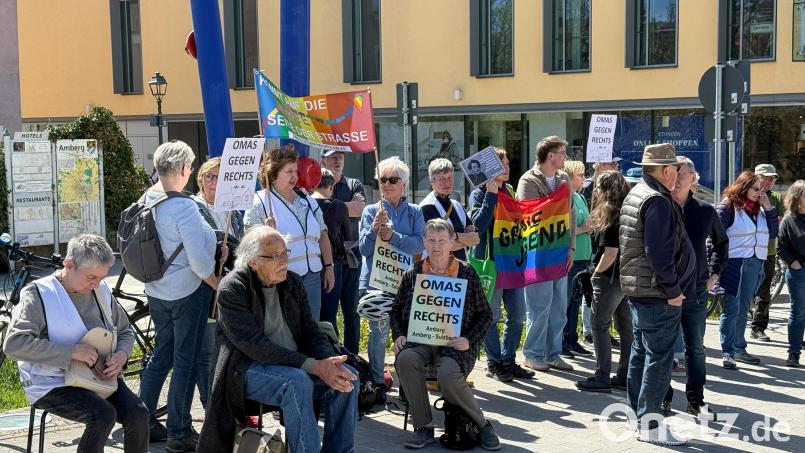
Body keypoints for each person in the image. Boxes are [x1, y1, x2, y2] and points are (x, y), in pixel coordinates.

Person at [198, 226, 359, 453]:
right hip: (246, 368)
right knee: (297, 382)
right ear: (253, 262)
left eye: (285, 253)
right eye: (274, 256)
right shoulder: (232, 288)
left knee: (349, 376)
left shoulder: (292, 282)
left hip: (293, 363)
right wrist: (314, 366)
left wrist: (330, 361)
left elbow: (310, 331)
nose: (284, 261)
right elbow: (255, 346)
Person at [4, 234, 148, 453]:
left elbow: (126, 331)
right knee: (103, 414)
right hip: (52, 383)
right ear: (69, 264)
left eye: (101, 278)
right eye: (91, 277)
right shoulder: (38, 294)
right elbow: (14, 344)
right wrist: (71, 352)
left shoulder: (101, 290)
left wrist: (122, 354)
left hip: (99, 379)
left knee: (138, 414)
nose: (97, 284)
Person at [137, 140, 222, 451]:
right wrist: (217, 284)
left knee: (162, 355)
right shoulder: (184, 206)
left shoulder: (147, 198)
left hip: (156, 290)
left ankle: (141, 420)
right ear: (185, 169)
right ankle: (179, 432)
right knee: (185, 362)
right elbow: (200, 263)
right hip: (187, 292)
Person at [392, 219, 499, 450]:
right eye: (431, 240)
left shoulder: (467, 273)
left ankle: (483, 425)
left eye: (442, 240)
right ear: (424, 242)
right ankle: (424, 426)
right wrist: (399, 335)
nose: (436, 245)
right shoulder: (414, 272)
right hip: (422, 339)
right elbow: (396, 310)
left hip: (456, 343)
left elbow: (485, 315)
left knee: (448, 373)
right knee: (406, 359)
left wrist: (468, 340)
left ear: (453, 243)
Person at [619, 143, 695, 445]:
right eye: (676, 169)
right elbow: (658, 254)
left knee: (641, 353)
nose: (679, 174)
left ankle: (637, 416)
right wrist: (674, 291)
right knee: (658, 359)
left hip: (642, 291)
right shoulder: (657, 200)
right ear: (665, 170)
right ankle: (650, 425)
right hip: (657, 293)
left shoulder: (638, 192)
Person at [662, 157, 728, 417]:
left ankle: (695, 399)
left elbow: (721, 244)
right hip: (665, 289)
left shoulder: (704, 210)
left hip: (696, 289)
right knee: (663, 347)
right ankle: (663, 397)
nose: (677, 178)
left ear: (693, 179)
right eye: (673, 172)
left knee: (695, 347)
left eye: (683, 173)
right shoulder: (660, 206)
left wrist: (714, 273)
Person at [359, 156, 425, 401]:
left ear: (404, 184)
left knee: (408, 335)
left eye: (392, 180)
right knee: (378, 334)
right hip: (377, 283)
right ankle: (377, 383)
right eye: (382, 180)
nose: (386, 184)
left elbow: (420, 244)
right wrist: (374, 230)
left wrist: (394, 236)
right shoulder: (370, 211)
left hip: (406, 285)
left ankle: (407, 384)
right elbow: (363, 250)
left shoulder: (415, 212)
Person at [245, 145, 335, 320]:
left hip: (312, 277)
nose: (294, 176)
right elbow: (248, 245)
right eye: (288, 171)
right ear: (273, 174)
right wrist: (265, 233)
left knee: (312, 329)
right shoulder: (259, 201)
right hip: (281, 278)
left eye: (295, 171)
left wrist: (329, 267)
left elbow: (323, 234)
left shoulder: (307, 199)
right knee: (287, 332)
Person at [469, 147, 532, 382]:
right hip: (491, 264)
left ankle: (508, 360)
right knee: (492, 316)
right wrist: (491, 195)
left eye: (507, 163)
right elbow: (478, 226)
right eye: (501, 163)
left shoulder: (512, 191)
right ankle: (494, 362)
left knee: (517, 315)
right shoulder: (479, 193)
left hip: (512, 263)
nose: (506, 167)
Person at [515, 136, 576, 372]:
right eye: (562, 152)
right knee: (539, 307)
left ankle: (553, 354)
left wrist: (571, 247)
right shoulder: (528, 180)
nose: (565, 157)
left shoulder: (562, 178)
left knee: (559, 306)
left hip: (560, 251)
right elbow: (530, 214)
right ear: (550, 155)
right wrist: (555, 204)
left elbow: (568, 213)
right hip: (537, 253)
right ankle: (532, 354)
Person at [193, 156, 245, 410]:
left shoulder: (232, 209)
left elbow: (241, 244)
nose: (213, 182)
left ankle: (229, 402)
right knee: (208, 350)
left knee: (231, 346)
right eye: (208, 176)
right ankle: (209, 403)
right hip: (205, 285)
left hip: (230, 284)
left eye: (219, 176)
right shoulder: (194, 207)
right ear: (200, 180)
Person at [575, 171, 633, 393]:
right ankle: (624, 374)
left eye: (599, 186)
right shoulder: (627, 211)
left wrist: (595, 275)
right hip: (625, 278)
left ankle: (601, 376)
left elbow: (610, 253)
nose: (595, 190)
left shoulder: (612, 214)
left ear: (607, 190)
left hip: (609, 277)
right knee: (625, 326)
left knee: (599, 325)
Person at [717, 171, 778, 369]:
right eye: (755, 189)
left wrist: (768, 208)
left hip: (755, 262)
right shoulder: (729, 206)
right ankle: (728, 350)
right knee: (732, 308)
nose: (760, 193)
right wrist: (714, 267)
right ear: (743, 187)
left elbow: (773, 233)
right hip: (735, 263)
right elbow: (716, 235)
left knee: (744, 308)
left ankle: (739, 348)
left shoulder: (760, 209)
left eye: (761, 190)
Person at [320, 150, 366, 353]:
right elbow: (316, 207)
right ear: (322, 160)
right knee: (329, 313)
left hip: (352, 256)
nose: (337, 160)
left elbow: (358, 210)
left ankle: (353, 356)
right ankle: (335, 355)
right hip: (328, 259)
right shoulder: (318, 181)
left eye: (340, 156)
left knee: (351, 312)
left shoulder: (354, 184)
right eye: (332, 157)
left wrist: (328, 205)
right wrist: (345, 206)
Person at [312, 169, 353, 337]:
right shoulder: (338, 206)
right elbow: (348, 236)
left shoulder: (303, 203)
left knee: (312, 315)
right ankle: (333, 351)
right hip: (331, 264)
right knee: (329, 316)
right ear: (331, 186)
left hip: (309, 264)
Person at [561, 160, 593, 358]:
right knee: (567, 302)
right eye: (580, 175)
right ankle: (564, 340)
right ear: (569, 177)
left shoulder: (580, 197)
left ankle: (573, 339)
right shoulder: (566, 199)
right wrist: (583, 229)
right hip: (572, 256)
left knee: (577, 299)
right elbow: (566, 230)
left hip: (584, 257)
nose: (583, 178)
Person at [750, 164, 785, 342]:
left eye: (774, 178)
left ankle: (758, 327)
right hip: (746, 250)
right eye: (767, 177)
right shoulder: (747, 193)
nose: (771, 181)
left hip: (768, 251)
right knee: (742, 291)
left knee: (764, 292)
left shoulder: (776, 197)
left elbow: (776, 225)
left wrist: (767, 206)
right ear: (757, 177)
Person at [420, 158, 479, 261]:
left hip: (461, 270)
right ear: (432, 181)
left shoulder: (457, 205)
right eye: (441, 178)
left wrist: (454, 236)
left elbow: (475, 239)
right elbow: (441, 246)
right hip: (437, 272)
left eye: (449, 178)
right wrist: (465, 238)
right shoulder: (426, 207)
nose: (447, 183)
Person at [778, 180, 805, 367]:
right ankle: (794, 352)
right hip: (798, 272)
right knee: (798, 312)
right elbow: (781, 246)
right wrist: (793, 263)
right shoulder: (789, 219)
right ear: (797, 197)